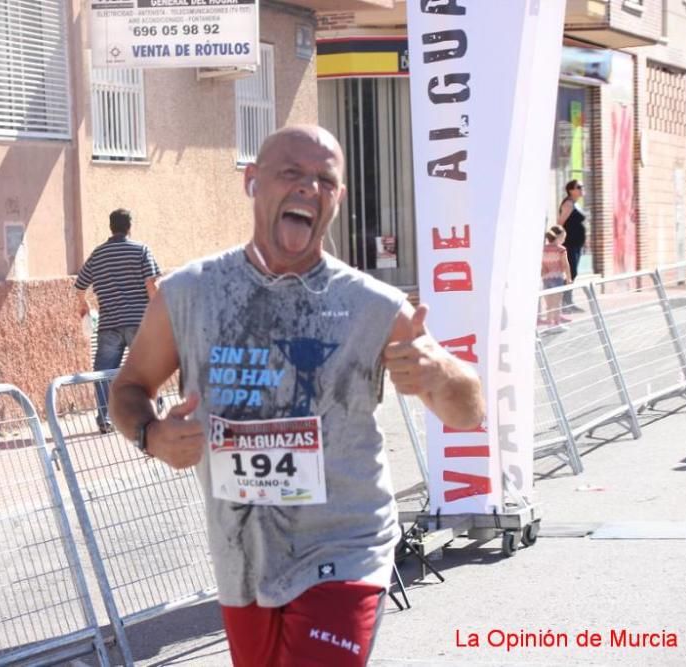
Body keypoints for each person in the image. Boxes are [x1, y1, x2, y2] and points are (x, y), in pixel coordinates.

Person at [109, 125, 484, 666]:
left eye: (324, 180)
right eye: (291, 173)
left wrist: (441, 374)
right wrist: (151, 433)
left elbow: (468, 410)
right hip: (243, 555)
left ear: (337, 199)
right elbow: (128, 389)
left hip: (345, 546)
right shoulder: (189, 294)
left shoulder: (371, 304)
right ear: (252, 182)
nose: (309, 187)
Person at [74, 208, 161, 433]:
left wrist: (84, 304)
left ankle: (105, 418)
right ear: (129, 226)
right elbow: (151, 286)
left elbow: (80, 285)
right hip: (138, 322)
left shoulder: (98, 254)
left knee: (104, 372)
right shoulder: (141, 250)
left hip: (109, 324)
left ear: (110, 227)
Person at [558, 180, 586, 312]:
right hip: (569, 243)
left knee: (573, 273)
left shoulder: (576, 204)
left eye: (582, 186)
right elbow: (560, 222)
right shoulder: (568, 204)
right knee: (571, 272)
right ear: (571, 190)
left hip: (576, 244)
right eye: (579, 187)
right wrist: (557, 241)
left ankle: (568, 301)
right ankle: (564, 302)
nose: (581, 189)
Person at [539, 225, 573, 327]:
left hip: (546, 279)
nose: (564, 239)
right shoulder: (561, 249)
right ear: (557, 237)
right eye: (563, 237)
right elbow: (565, 265)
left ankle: (549, 323)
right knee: (557, 302)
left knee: (549, 303)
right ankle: (557, 323)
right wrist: (569, 278)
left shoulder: (543, 249)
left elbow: (541, 265)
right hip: (557, 278)